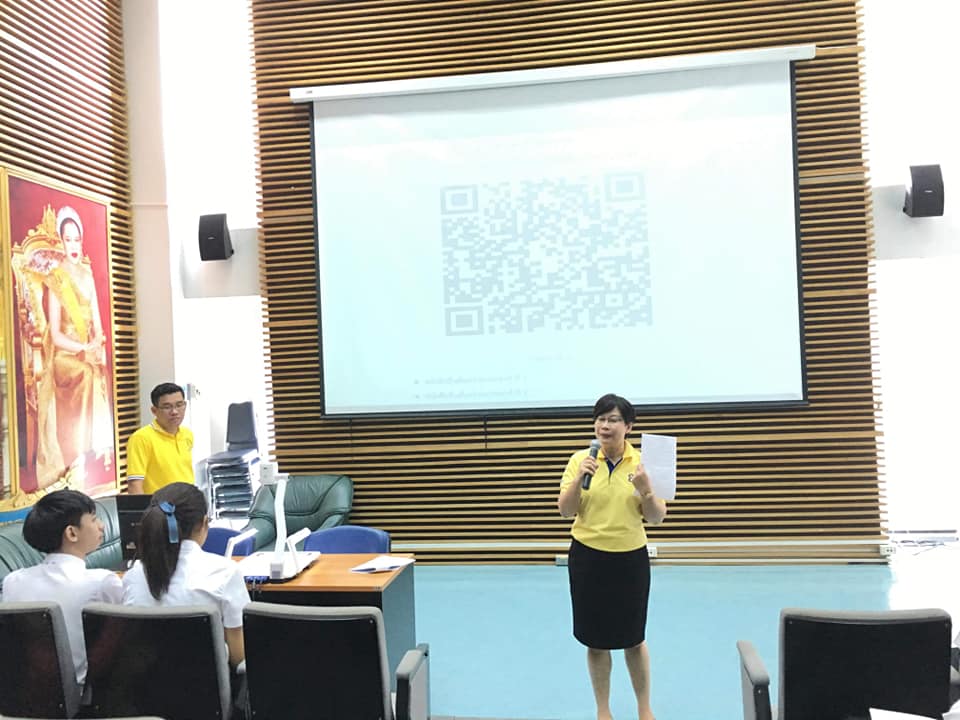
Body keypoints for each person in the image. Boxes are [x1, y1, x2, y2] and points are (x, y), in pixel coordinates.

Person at [557, 393, 667, 720]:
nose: (605, 425)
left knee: (634, 639)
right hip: (588, 559)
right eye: (600, 419)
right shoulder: (580, 460)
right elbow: (566, 511)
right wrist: (579, 480)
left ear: (628, 426)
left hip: (630, 560)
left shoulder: (645, 464)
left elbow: (656, 517)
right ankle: (603, 710)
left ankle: (644, 708)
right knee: (596, 641)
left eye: (613, 419)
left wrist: (647, 489)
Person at [1, 489, 122, 684]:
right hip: (87, 692)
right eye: (93, 520)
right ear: (72, 533)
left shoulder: (12, 582)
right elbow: (123, 639)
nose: (101, 526)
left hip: (26, 693)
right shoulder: (103, 582)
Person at [122, 482, 249, 668]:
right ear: (204, 523)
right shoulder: (225, 572)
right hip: (208, 685)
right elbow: (239, 658)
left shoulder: (132, 576)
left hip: (144, 684)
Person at [34, 205, 112, 489]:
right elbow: (55, 335)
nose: (74, 245)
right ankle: (76, 458)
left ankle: (92, 452)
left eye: (77, 239)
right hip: (64, 356)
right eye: (68, 240)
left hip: (86, 350)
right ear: (61, 242)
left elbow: (99, 324)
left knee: (98, 370)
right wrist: (82, 348)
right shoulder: (56, 280)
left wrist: (97, 345)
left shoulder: (88, 276)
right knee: (86, 373)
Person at [126, 382, 194, 494]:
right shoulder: (141, 438)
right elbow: (135, 485)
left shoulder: (187, 434)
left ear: (185, 405)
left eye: (179, 405)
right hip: (160, 505)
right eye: (167, 407)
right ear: (154, 410)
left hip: (188, 502)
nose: (174, 412)